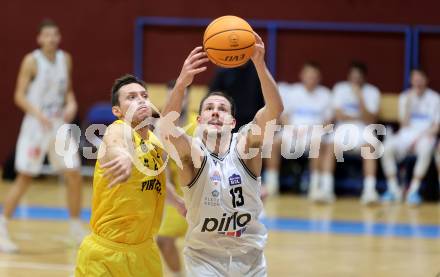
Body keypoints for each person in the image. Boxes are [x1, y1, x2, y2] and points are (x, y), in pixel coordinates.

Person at [158, 32, 283, 276]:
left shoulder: (247, 146)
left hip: (250, 259)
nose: (215, 112)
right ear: (199, 119)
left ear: (233, 121)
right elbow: (167, 130)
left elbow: (275, 110)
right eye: (210, 108)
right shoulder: (193, 154)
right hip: (205, 260)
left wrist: (259, 63)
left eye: (222, 109)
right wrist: (182, 83)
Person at [0, 19, 85, 253]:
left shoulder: (65, 59)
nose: (51, 39)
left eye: (55, 34)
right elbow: (19, 95)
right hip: (36, 125)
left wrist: (71, 103)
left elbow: (67, 92)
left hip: (58, 124)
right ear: (39, 38)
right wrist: (38, 113)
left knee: (74, 173)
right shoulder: (31, 61)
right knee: (25, 177)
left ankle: (75, 228)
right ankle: (2, 227)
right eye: (47, 35)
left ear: (59, 37)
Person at [75, 74, 166, 276]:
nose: (140, 99)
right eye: (131, 97)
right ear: (117, 110)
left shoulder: (154, 141)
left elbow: (153, 182)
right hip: (107, 255)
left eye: (144, 95)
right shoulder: (117, 129)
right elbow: (116, 143)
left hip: (145, 252)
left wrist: (176, 200)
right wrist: (124, 156)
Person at [263, 62, 333, 198]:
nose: (311, 78)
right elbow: (283, 116)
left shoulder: (325, 94)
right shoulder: (293, 92)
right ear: (302, 75)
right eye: (308, 75)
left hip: (315, 133)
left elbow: (328, 122)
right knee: (272, 143)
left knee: (317, 143)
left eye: (314, 76)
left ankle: (315, 187)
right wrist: (292, 129)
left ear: (319, 78)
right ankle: (272, 185)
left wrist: (314, 132)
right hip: (292, 132)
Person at [321, 61, 381, 204]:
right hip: (343, 129)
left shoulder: (372, 92)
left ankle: (369, 191)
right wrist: (357, 115)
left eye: (358, 77)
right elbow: (339, 115)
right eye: (353, 77)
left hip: (364, 129)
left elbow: (370, 119)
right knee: (329, 146)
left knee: (370, 148)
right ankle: (326, 190)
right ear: (348, 76)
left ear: (364, 78)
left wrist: (360, 98)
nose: (355, 80)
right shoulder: (340, 89)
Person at [381, 69, 440, 205]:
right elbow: (404, 124)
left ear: (426, 80)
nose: (418, 82)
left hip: (426, 136)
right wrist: (408, 105)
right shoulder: (405, 97)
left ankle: (413, 191)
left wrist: (422, 136)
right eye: (415, 79)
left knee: (426, 148)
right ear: (411, 81)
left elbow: (437, 126)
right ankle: (393, 189)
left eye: (421, 79)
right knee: (385, 148)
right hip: (406, 135)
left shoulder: (435, 98)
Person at [156, 81, 191, 277]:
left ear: (188, 99)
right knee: (163, 239)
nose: (177, 101)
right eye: (172, 97)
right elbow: (161, 168)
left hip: (202, 196)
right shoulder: (160, 129)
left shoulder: (198, 125)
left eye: (181, 96)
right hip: (178, 197)